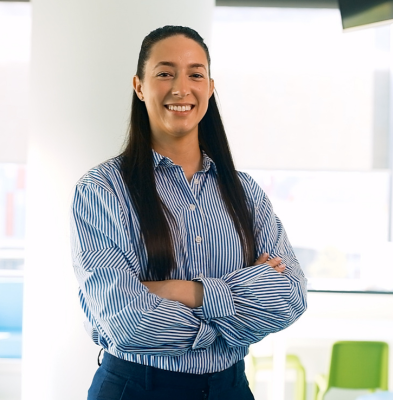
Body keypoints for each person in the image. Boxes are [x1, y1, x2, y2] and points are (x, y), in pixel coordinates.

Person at [70, 25, 307, 400]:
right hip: (137, 389)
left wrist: (187, 292)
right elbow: (127, 323)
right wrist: (238, 303)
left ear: (210, 88)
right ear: (139, 86)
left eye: (195, 74)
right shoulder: (102, 190)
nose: (181, 88)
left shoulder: (245, 192)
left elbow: (290, 296)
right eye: (165, 73)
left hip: (230, 389)